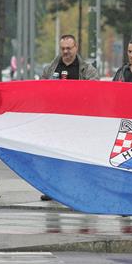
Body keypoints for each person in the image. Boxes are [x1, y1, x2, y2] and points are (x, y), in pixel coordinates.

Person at [40, 34, 99, 201]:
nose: (66, 52)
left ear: (76, 48)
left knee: (80, 156)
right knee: (53, 156)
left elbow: (96, 92)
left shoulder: (87, 69)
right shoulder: (50, 69)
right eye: (63, 48)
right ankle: (52, 190)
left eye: (69, 48)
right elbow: (40, 90)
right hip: (55, 121)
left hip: (79, 122)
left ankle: (84, 188)